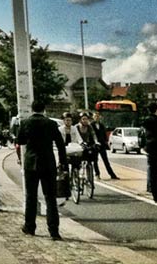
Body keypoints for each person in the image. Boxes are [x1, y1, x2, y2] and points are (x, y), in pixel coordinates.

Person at [16, 101, 67, 241]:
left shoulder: (25, 123)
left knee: (31, 196)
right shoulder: (51, 124)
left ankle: (29, 226)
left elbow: (20, 141)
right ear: (44, 109)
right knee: (50, 197)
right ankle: (54, 231)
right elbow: (60, 144)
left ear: (32, 109)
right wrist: (63, 163)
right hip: (47, 162)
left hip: (31, 163)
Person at [91, 112, 119, 179]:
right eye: (95, 116)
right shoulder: (91, 125)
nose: (97, 117)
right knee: (95, 160)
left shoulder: (102, 125)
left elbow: (104, 134)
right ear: (93, 117)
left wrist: (106, 142)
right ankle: (97, 174)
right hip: (95, 145)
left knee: (106, 160)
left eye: (98, 116)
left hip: (102, 144)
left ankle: (112, 174)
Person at [75, 113, 101, 178]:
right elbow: (75, 137)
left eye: (86, 119)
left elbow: (93, 134)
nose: (85, 120)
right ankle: (77, 173)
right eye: (83, 119)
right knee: (77, 161)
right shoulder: (76, 127)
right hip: (78, 145)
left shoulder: (89, 127)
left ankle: (91, 174)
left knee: (92, 156)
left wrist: (96, 142)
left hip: (87, 144)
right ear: (80, 120)